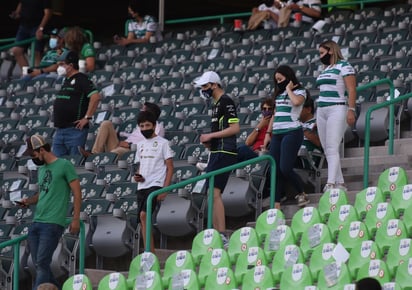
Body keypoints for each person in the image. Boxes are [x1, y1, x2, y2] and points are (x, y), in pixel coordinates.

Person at [19, 134, 82, 289]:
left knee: (42, 261)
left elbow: (77, 192)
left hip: (53, 222)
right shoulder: (42, 170)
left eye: (33, 154)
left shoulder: (64, 165)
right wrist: (28, 201)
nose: (32, 158)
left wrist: (75, 219)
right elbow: (43, 193)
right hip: (37, 222)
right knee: (40, 264)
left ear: (41, 150)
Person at [194, 71, 240, 247]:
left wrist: (211, 135)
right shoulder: (215, 104)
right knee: (211, 193)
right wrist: (210, 142)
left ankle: (222, 234)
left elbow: (235, 128)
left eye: (205, 86)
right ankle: (217, 234)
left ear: (215, 84)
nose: (203, 90)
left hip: (225, 151)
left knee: (214, 193)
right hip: (217, 151)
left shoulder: (225, 101)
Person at [264, 65, 308, 209]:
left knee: (285, 168)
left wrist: (289, 89)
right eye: (276, 80)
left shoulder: (300, 91)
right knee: (274, 169)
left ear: (288, 78)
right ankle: (275, 204)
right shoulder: (278, 95)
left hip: (292, 131)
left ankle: (301, 191)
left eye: (280, 79)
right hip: (277, 133)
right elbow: (274, 115)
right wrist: (268, 134)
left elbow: (296, 102)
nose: (278, 83)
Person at [316, 40, 356, 192]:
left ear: (331, 51)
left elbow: (352, 89)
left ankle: (330, 183)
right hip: (321, 109)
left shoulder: (344, 66)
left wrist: (351, 109)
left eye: (322, 53)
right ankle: (340, 183)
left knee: (332, 147)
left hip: (337, 108)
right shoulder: (325, 69)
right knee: (327, 149)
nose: (320, 56)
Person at [134, 111, 173, 253]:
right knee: (142, 219)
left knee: (144, 215)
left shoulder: (163, 143)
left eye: (147, 125)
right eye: (142, 126)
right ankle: (149, 252)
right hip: (142, 185)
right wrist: (137, 176)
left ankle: (149, 252)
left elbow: (169, 167)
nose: (145, 128)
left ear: (154, 125)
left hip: (156, 184)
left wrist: (165, 188)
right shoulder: (140, 145)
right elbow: (140, 164)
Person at [52, 50, 101, 157]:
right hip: (60, 130)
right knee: (57, 163)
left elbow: (95, 97)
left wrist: (87, 118)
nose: (58, 67)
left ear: (70, 65)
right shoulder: (66, 80)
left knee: (75, 163)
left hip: (75, 130)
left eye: (61, 64)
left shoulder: (81, 79)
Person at [78, 102, 165, 158]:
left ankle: (101, 158)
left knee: (115, 152)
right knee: (106, 123)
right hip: (120, 145)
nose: (140, 110)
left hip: (131, 150)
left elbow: (154, 143)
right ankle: (95, 155)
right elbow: (132, 136)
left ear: (148, 112)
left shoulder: (158, 127)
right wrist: (119, 133)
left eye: (143, 109)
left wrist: (130, 145)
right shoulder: (141, 125)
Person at [10, 0, 53, 69]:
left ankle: (39, 77)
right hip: (24, 26)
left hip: (37, 26)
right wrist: (17, 13)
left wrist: (40, 28)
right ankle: (27, 74)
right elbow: (21, 3)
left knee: (36, 53)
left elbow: (48, 13)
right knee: (16, 51)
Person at [296, 95, 323, 170]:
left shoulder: (317, 123)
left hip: (308, 159)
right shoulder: (296, 124)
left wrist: (302, 130)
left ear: (308, 109)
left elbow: (319, 143)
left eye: (299, 108)